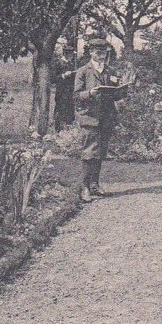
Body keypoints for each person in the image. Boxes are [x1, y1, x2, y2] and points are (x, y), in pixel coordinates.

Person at [73, 38, 128, 203]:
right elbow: (76, 96)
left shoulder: (110, 71)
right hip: (90, 116)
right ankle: (85, 187)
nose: (101, 56)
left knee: (100, 152)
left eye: (104, 53)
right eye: (98, 52)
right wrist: (90, 93)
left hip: (106, 117)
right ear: (91, 52)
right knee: (89, 152)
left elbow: (116, 95)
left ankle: (95, 184)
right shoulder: (83, 71)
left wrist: (123, 88)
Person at [53, 41, 76, 131]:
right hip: (61, 91)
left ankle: (68, 130)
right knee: (60, 109)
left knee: (70, 110)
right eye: (70, 55)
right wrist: (63, 75)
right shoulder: (58, 63)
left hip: (70, 91)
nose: (72, 57)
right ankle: (58, 130)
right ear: (66, 54)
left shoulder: (71, 64)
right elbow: (53, 78)